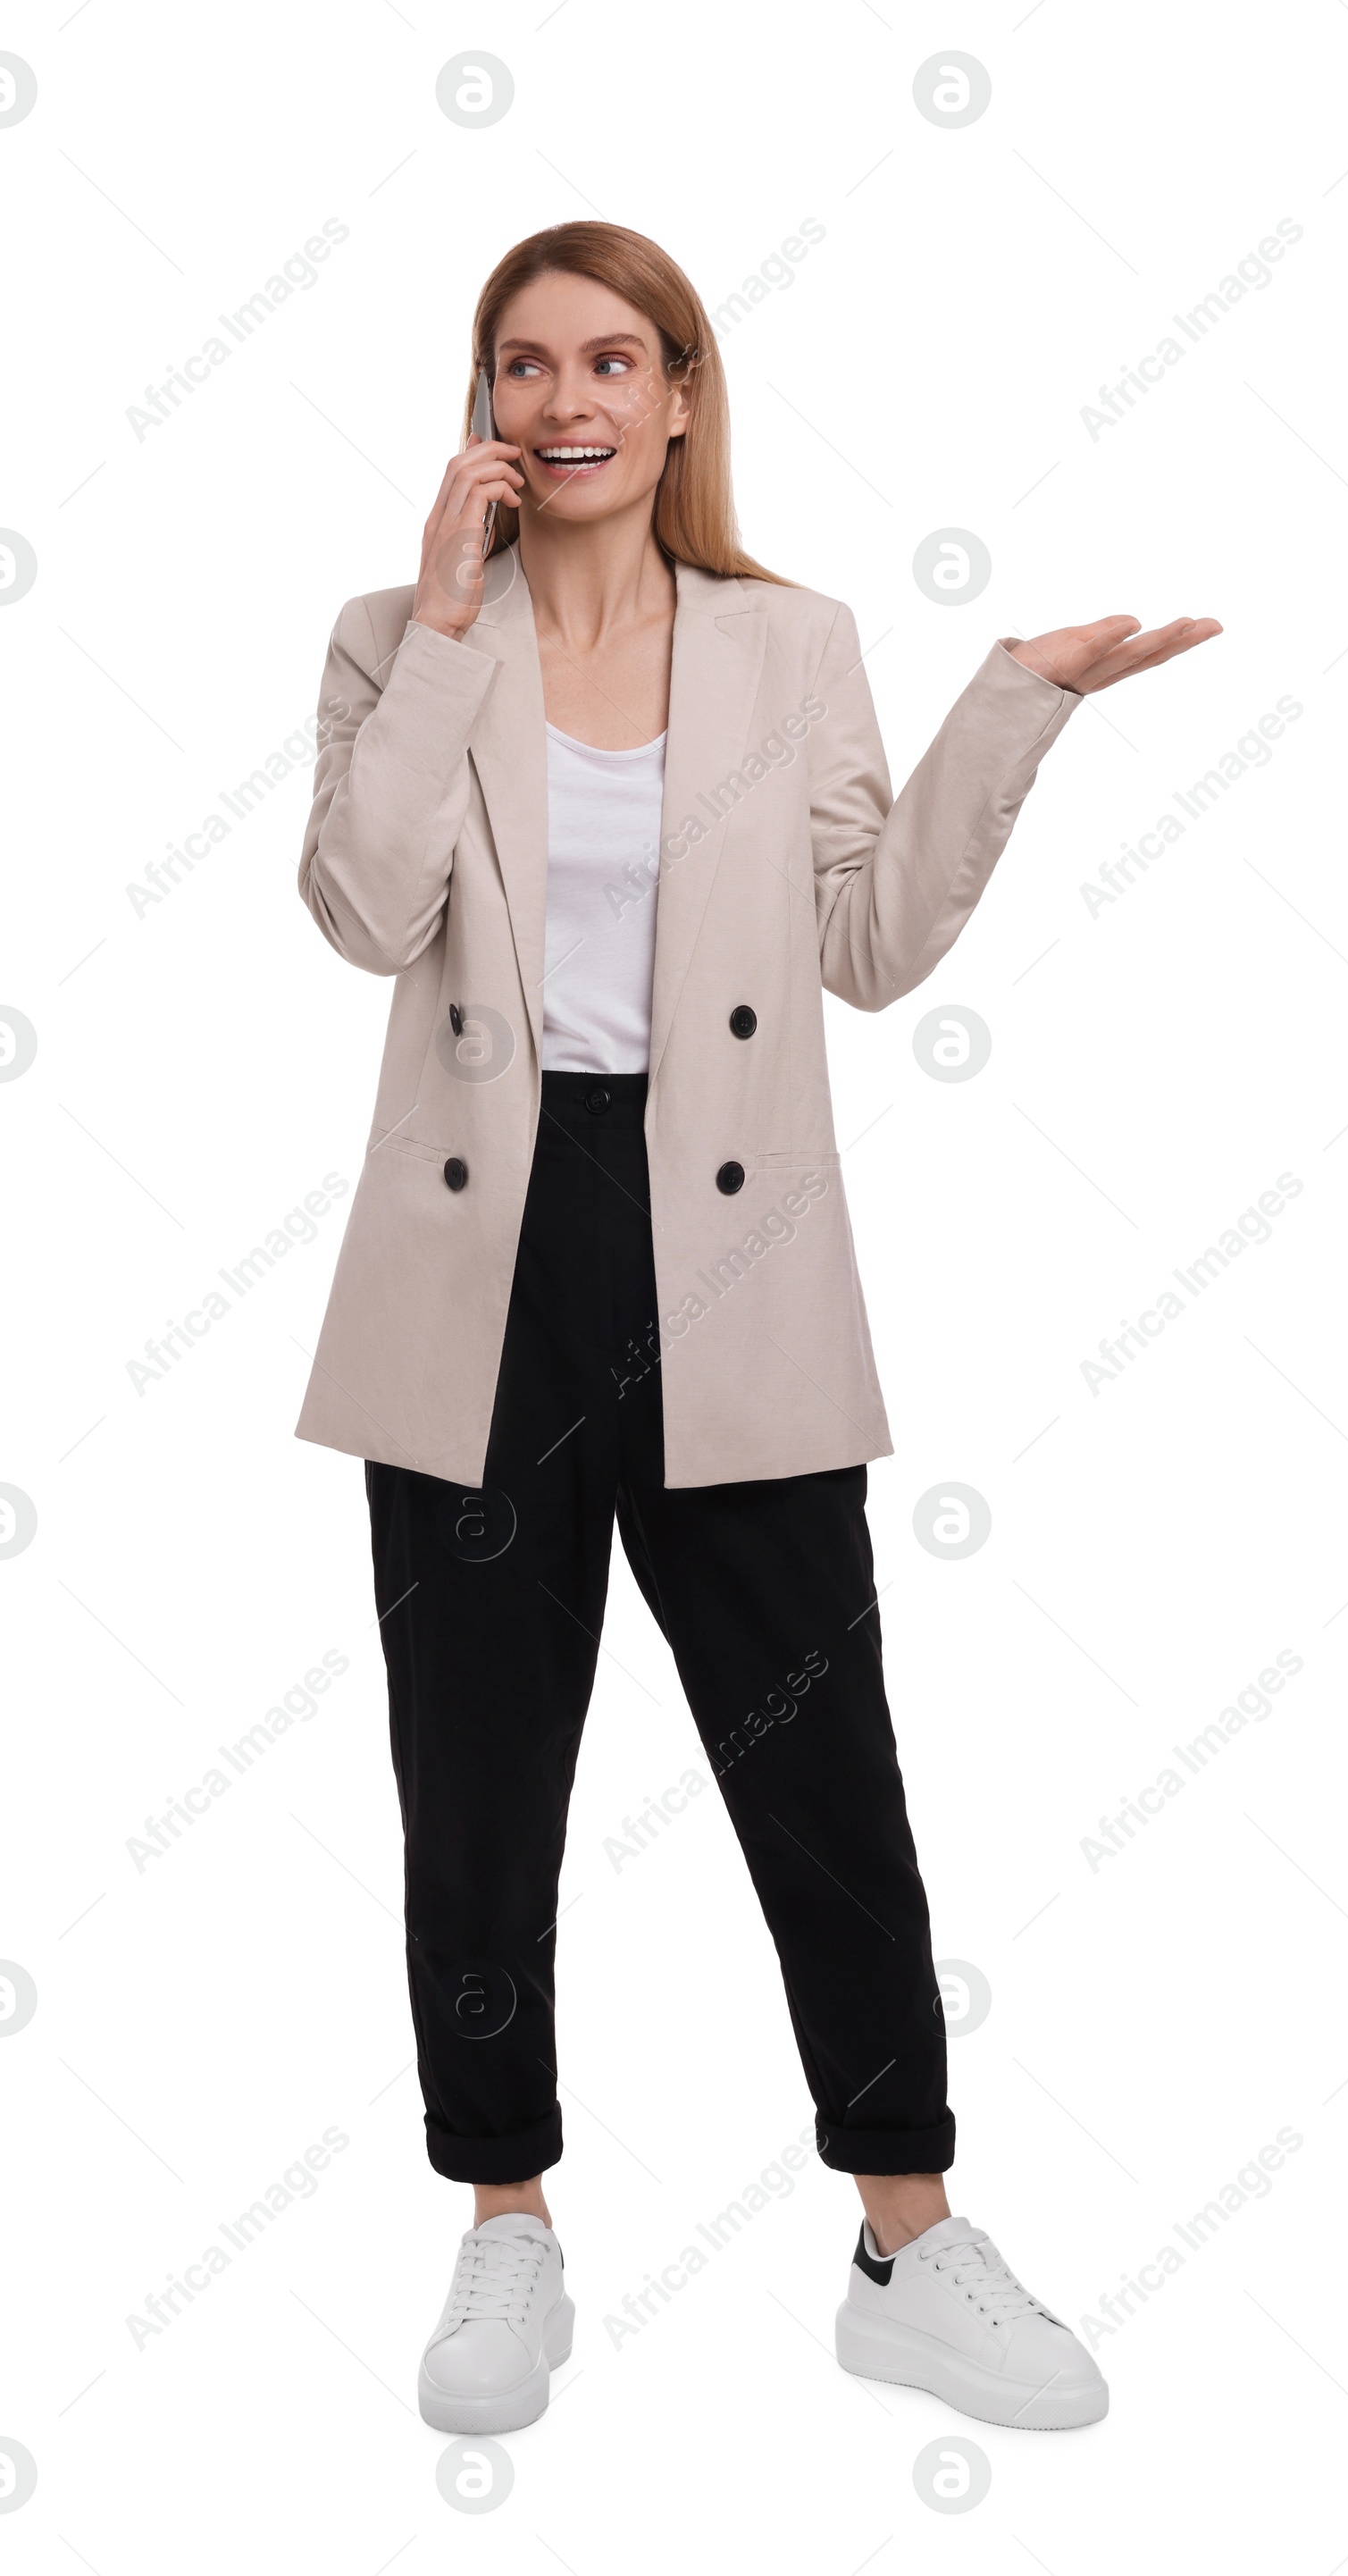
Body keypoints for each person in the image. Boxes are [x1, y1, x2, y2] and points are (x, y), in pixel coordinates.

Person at [294, 220, 1218, 2438]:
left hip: (725, 1257)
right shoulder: (389, 633)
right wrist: (436, 627)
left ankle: (905, 2234)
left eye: (612, 358)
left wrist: (1017, 706)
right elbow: (361, 909)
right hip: (476, 1266)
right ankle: (504, 2224)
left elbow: (871, 944)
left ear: (684, 392)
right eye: (523, 364)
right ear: (486, 403)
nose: (565, 399)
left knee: (821, 1765)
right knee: (481, 1780)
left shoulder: (789, 646)